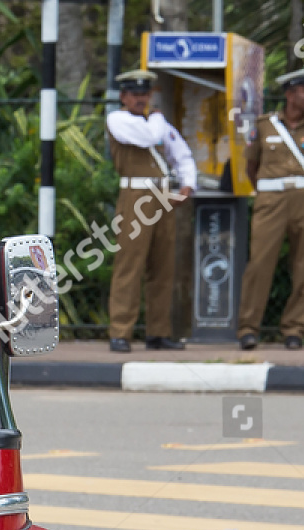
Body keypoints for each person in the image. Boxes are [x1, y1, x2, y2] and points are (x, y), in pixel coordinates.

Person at [237, 68, 304, 351]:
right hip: (270, 198)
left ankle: (294, 330)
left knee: (303, 265)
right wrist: (269, 189)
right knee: (259, 263)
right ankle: (248, 328)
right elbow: (250, 166)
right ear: (290, 95)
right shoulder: (265, 125)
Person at [105, 68, 197, 354]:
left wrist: (188, 184)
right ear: (123, 96)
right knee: (129, 264)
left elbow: (180, 153)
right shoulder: (118, 119)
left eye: (144, 93)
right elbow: (148, 137)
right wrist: (157, 118)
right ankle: (120, 331)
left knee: (163, 266)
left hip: (162, 194)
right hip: (135, 195)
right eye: (135, 94)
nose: (140, 99)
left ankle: (158, 332)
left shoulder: (156, 123)